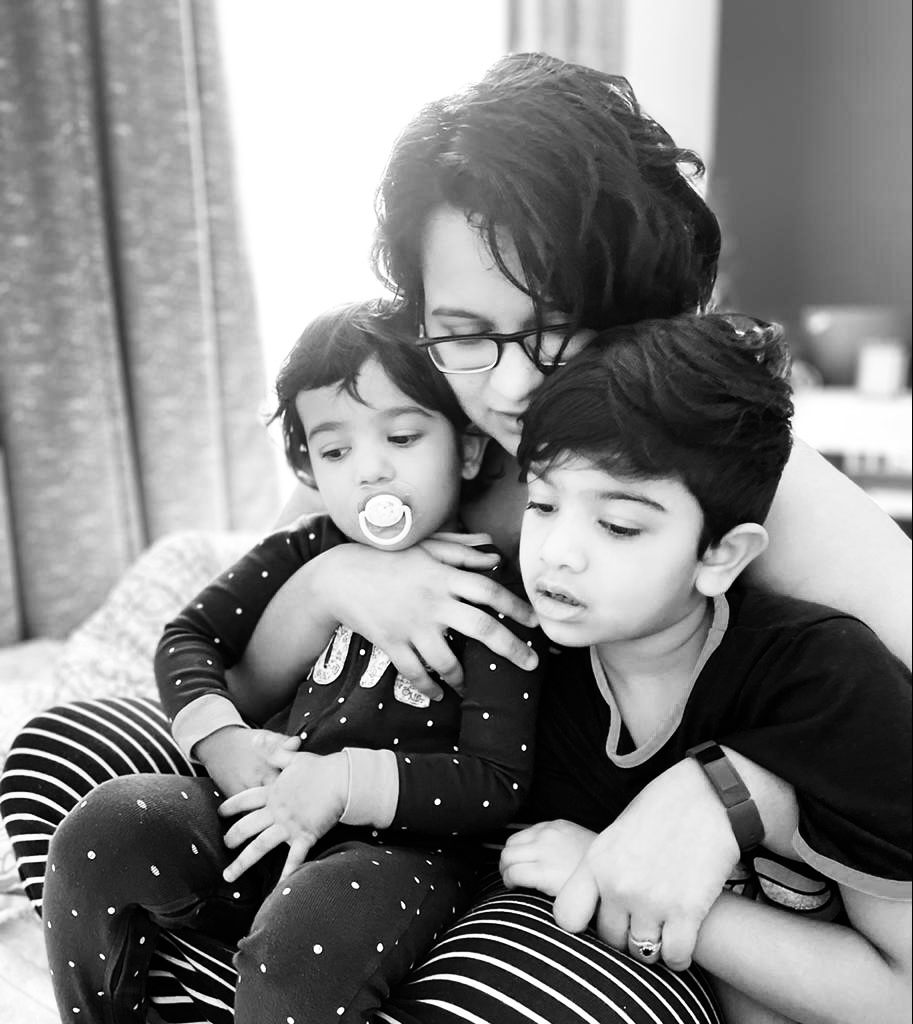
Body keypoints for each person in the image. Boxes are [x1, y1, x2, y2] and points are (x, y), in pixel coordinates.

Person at [3, 51, 910, 1023]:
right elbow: (253, 682)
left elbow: (869, 728)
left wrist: (737, 792)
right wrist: (332, 584)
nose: (512, 387)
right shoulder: (410, 420)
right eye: (466, 332)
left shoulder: (731, 471)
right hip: (339, 790)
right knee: (64, 757)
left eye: (558, 326)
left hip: (513, 852)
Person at [39, 299, 546, 1023]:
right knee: (103, 828)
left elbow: (497, 783)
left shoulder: (491, 591)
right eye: (335, 453)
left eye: (402, 437)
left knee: (298, 948)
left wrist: (342, 784)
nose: (370, 471)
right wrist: (222, 742)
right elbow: (188, 638)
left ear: (466, 451)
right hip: (259, 813)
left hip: (400, 856)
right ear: (309, 466)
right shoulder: (305, 549)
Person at [498, 313, 911, 1023]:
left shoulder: (828, 683)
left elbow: (899, 997)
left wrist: (610, 875)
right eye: (541, 503)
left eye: (618, 525)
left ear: (721, 555)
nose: (556, 552)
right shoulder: (520, 662)